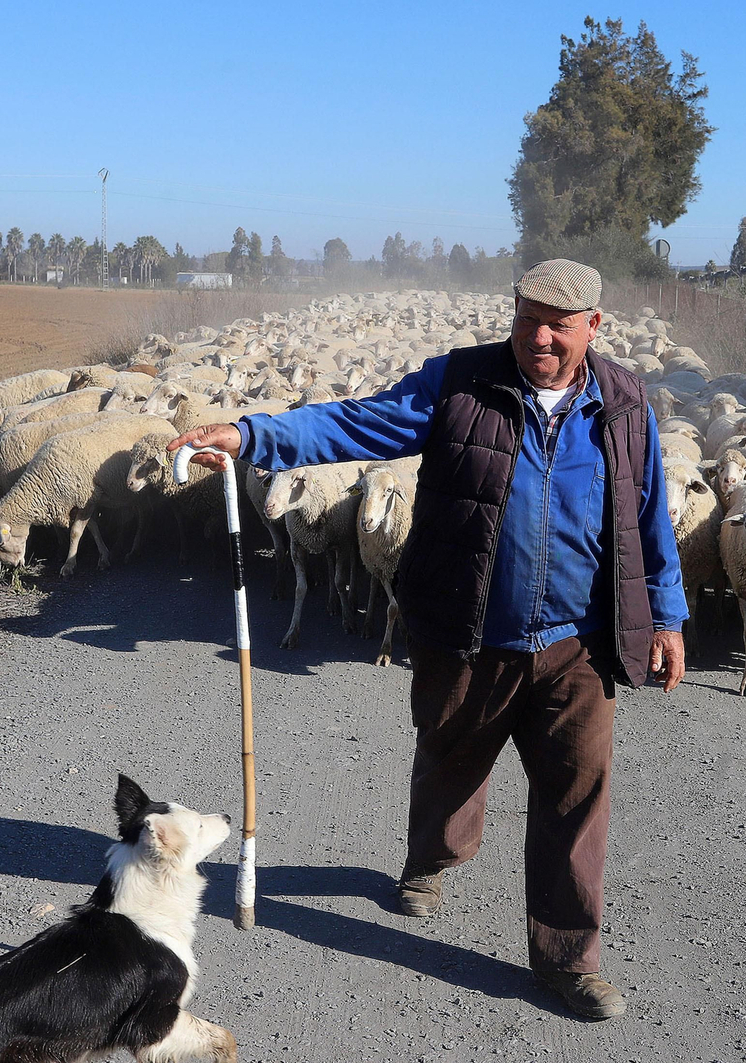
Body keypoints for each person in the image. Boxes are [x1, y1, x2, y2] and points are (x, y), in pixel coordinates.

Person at [168, 259, 687, 1021]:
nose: (540, 337)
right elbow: (356, 421)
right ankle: (432, 857)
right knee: (451, 754)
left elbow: (647, 514)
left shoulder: (624, 403)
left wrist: (666, 615)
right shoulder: (460, 383)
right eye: (528, 318)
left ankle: (568, 959)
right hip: (470, 627)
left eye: (559, 324)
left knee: (577, 797)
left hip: (579, 639)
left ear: (593, 326)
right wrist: (254, 435)